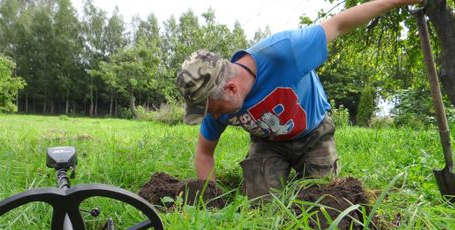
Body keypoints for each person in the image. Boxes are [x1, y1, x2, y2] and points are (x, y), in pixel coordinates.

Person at [176, 0, 421, 199]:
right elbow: (204, 153)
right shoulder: (217, 105)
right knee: (261, 205)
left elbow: (339, 24)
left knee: (326, 201)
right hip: (268, 143)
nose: (215, 116)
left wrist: (397, 1)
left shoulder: (285, 51)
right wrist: (210, 199)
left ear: (230, 88)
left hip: (314, 133)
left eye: (215, 110)